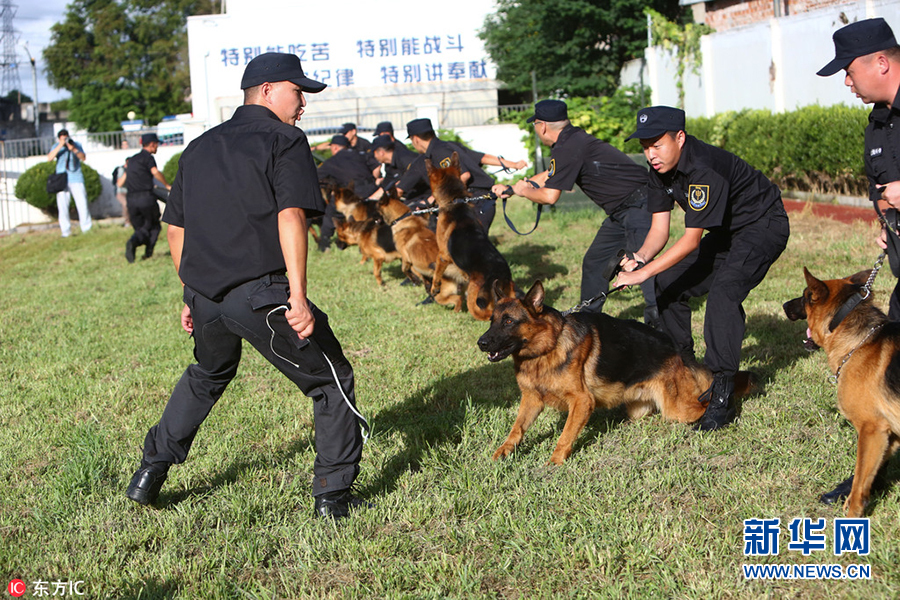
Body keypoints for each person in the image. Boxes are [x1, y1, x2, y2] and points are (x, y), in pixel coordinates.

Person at [124, 52, 369, 519]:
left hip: (206, 298)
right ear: (270, 89)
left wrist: (189, 293)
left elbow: (176, 228)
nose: (303, 104)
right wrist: (297, 296)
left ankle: (149, 472)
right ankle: (333, 498)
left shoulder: (198, 148)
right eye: (299, 92)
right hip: (262, 295)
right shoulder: (284, 139)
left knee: (206, 374)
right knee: (330, 381)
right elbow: (291, 215)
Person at [615, 106, 789, 431]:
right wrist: (640, 258)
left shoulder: (703, 168)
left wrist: (641, 273)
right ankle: (683, 371)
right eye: (645, 146)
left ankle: (721, 393)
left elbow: (691, 240)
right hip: (725, 233)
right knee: (666, 282)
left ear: (679, 138)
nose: (650, 153)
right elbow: (659, 232)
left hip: (763, 225)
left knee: (724, 292)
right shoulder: (658, 171)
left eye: (657, 144)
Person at [493, 99, 658, 323]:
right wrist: (512, 189)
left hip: (642, 205)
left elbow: (550, 196)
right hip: (623, 211)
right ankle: (587, 321)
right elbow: (549, 176)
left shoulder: (568, 145)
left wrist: (523, 191)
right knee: (596, 261)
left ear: (542, 126)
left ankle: (661, 329)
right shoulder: (571, 141)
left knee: (642, 267)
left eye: (535, 125)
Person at [818, 17, 900, 319]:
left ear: (881, 63)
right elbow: (878, 188)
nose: (847, 82)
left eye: (849, 71)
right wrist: (888, 223)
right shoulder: (877, 126)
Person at [406, 118, 497, 230]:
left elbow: (464, 175)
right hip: (475, 199)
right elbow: (481, 158)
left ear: (415, 139)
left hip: (477, 199)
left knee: (473, 243)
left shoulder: (439, 151)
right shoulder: (443, 147)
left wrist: (444, 198)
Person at [124, 133, 170, 262]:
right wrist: (166, 185)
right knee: (155, 227)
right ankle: (146, 252)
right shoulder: (148, 158)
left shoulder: (132, 160)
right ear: (152, 144)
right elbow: (154, 172)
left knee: (141, 228)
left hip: (131, 200)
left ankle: (134, 242)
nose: (157, 147)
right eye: (157, 144)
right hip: (146, 198)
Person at [46, 129, 92, 237]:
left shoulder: (76, 145)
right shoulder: (56, 146)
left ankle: (86, 228)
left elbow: (83, 158)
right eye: (62, 138)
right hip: (62, 179)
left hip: (76, 177)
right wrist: (60, 145)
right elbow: (49, 158)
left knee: (82, 203)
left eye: (66, 137)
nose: (65, 140)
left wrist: (73, 149)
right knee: (62, 206)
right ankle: (65, 231)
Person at [114, 159, 130, 226]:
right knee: (126, 205)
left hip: (130, 192)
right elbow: (120, 184)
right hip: (121, 192)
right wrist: (126, 172)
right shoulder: (122, 170)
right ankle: (127, 222)